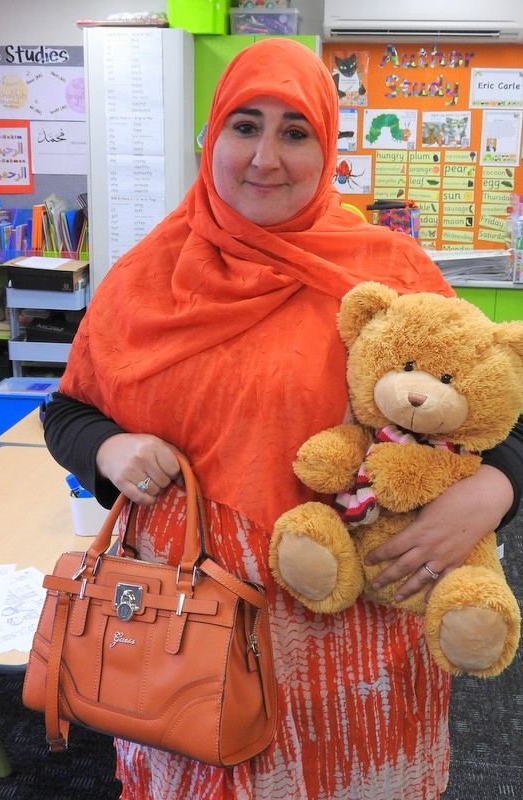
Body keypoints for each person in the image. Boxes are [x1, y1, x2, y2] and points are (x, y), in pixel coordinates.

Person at [44, 38, 523, 800]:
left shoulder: (390, 273)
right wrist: (107, 446)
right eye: (244, 125)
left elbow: (494, 404)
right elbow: (68, 409)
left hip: (354, 626)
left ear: (325, 145)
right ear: (212, 137)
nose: (265, 156)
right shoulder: (143, 278)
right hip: (185, 626)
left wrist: (493, 490)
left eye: (293, 132)